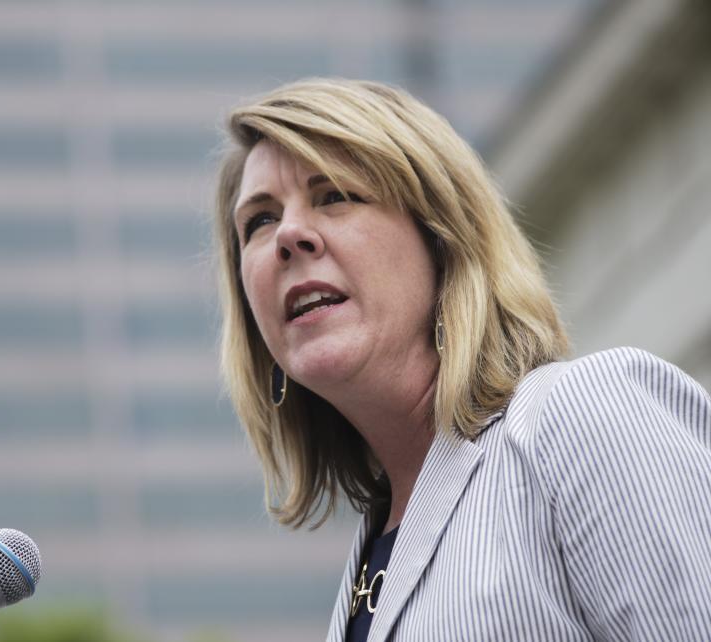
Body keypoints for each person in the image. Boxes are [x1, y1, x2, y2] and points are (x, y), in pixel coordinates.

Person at [211, 78, 711, 642]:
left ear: (441, 237)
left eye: (335, 195)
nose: (289, 235)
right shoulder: (364, 572)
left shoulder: (584, 415)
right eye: (259, 221)